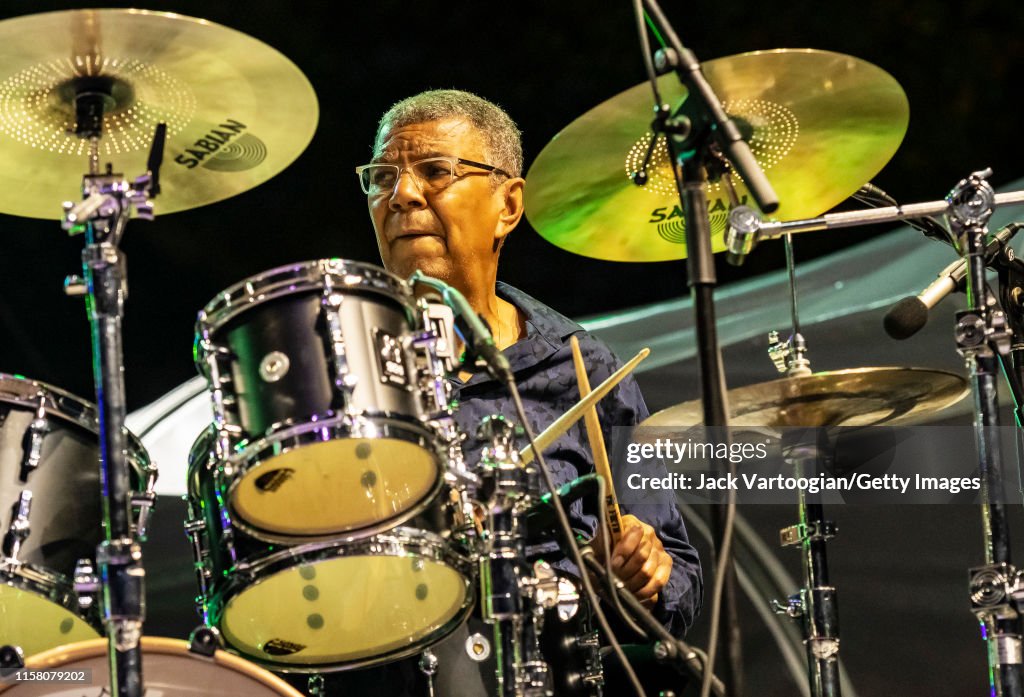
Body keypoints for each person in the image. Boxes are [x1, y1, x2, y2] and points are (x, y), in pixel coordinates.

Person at [356, 88, 701, 689]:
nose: (402, 195)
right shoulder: (341, 372)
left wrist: (634, 574)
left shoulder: (584, 367)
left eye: (435, 172)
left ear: (508, 205)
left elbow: (680, 582)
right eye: (381, 177)